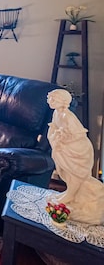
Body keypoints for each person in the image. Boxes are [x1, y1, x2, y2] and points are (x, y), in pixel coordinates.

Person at [46, 89, 104, 224]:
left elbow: (78, 134)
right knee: (64, 172)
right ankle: (71, 193)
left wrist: (62, 135)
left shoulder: (67, 116)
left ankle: (71, 194)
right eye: (50, 98)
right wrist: (56, 135)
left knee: (75, 173)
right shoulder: (57, 113)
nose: (49, 101)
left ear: (62, 101)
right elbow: (53, 127)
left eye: (53, 99)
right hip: (64, 148)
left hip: (77, 150)